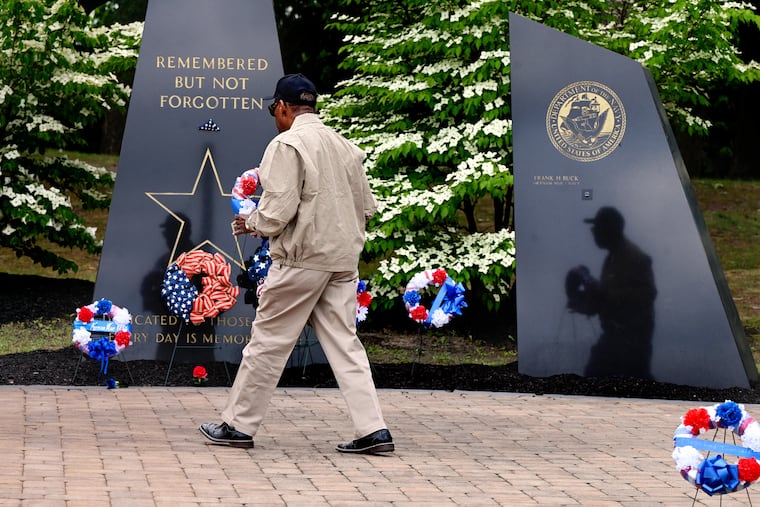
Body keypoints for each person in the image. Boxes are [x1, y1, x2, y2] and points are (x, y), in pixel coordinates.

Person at [200, 73, 393, 454]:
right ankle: (373, 430)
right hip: (342, 261)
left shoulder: (286, 144)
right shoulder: (345, 146)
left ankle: (238, 426)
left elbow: (278, 211)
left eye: (275, 109)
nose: (275, 116)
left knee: (268, 343)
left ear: (284, 107)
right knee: (346, 344)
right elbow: (368, 207)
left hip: (301, 259)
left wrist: (250, 222)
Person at [565, 206, 657, 379]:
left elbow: (647, 294)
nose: (593, 233)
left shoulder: (634, 258)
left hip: (631, 342)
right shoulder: (613, 256)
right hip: (615, 338)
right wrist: (583, 303)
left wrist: (604, 292)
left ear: (609, 230)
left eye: (596, 228)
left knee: (633, 381)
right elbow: (606, 299)